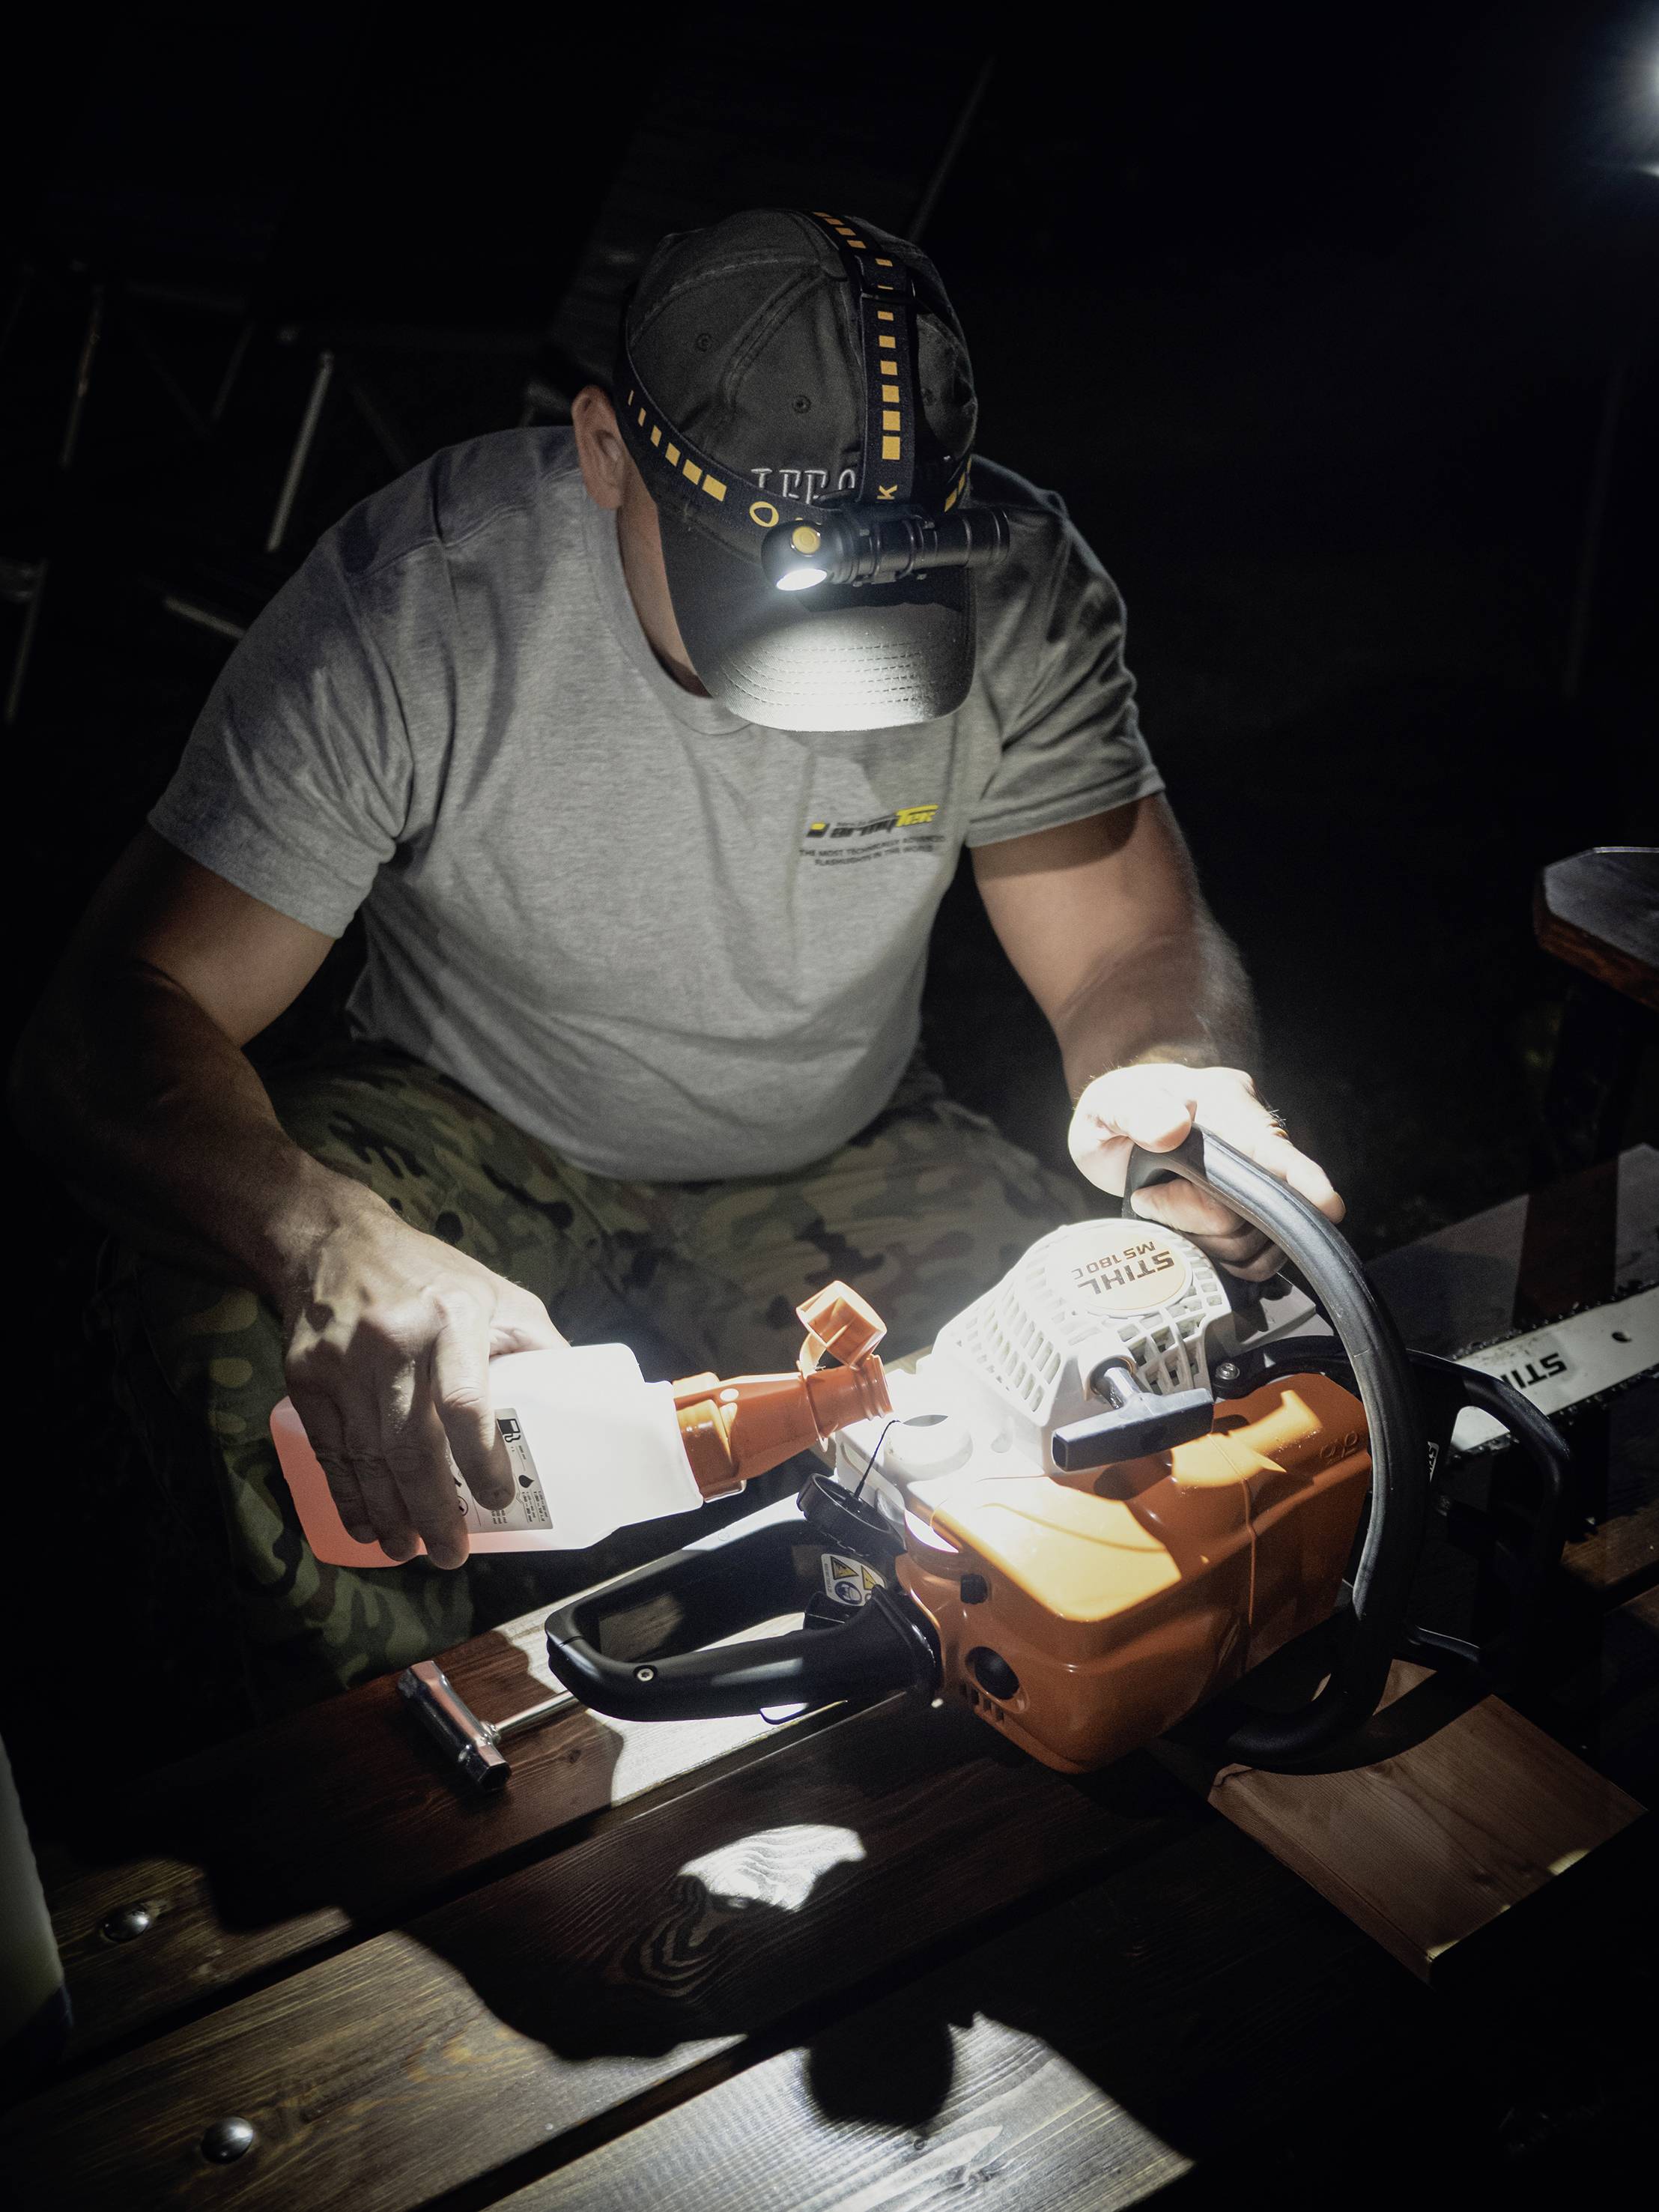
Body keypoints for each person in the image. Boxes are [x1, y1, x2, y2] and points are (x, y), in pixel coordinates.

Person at [12, 209, 1342, 1710]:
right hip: (461, 1117)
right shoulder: (434, 596)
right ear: (602, 451)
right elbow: (111, 1021)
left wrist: (1171, 1081)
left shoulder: (1022, 587)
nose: (825, 674)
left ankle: (966, 1813)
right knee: (273, 1392)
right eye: (766, 584)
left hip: (830, 1139)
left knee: (1128, 1418)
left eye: (879, 594)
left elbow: (1126, 940)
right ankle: (400, 1806)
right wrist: (322, 1237)